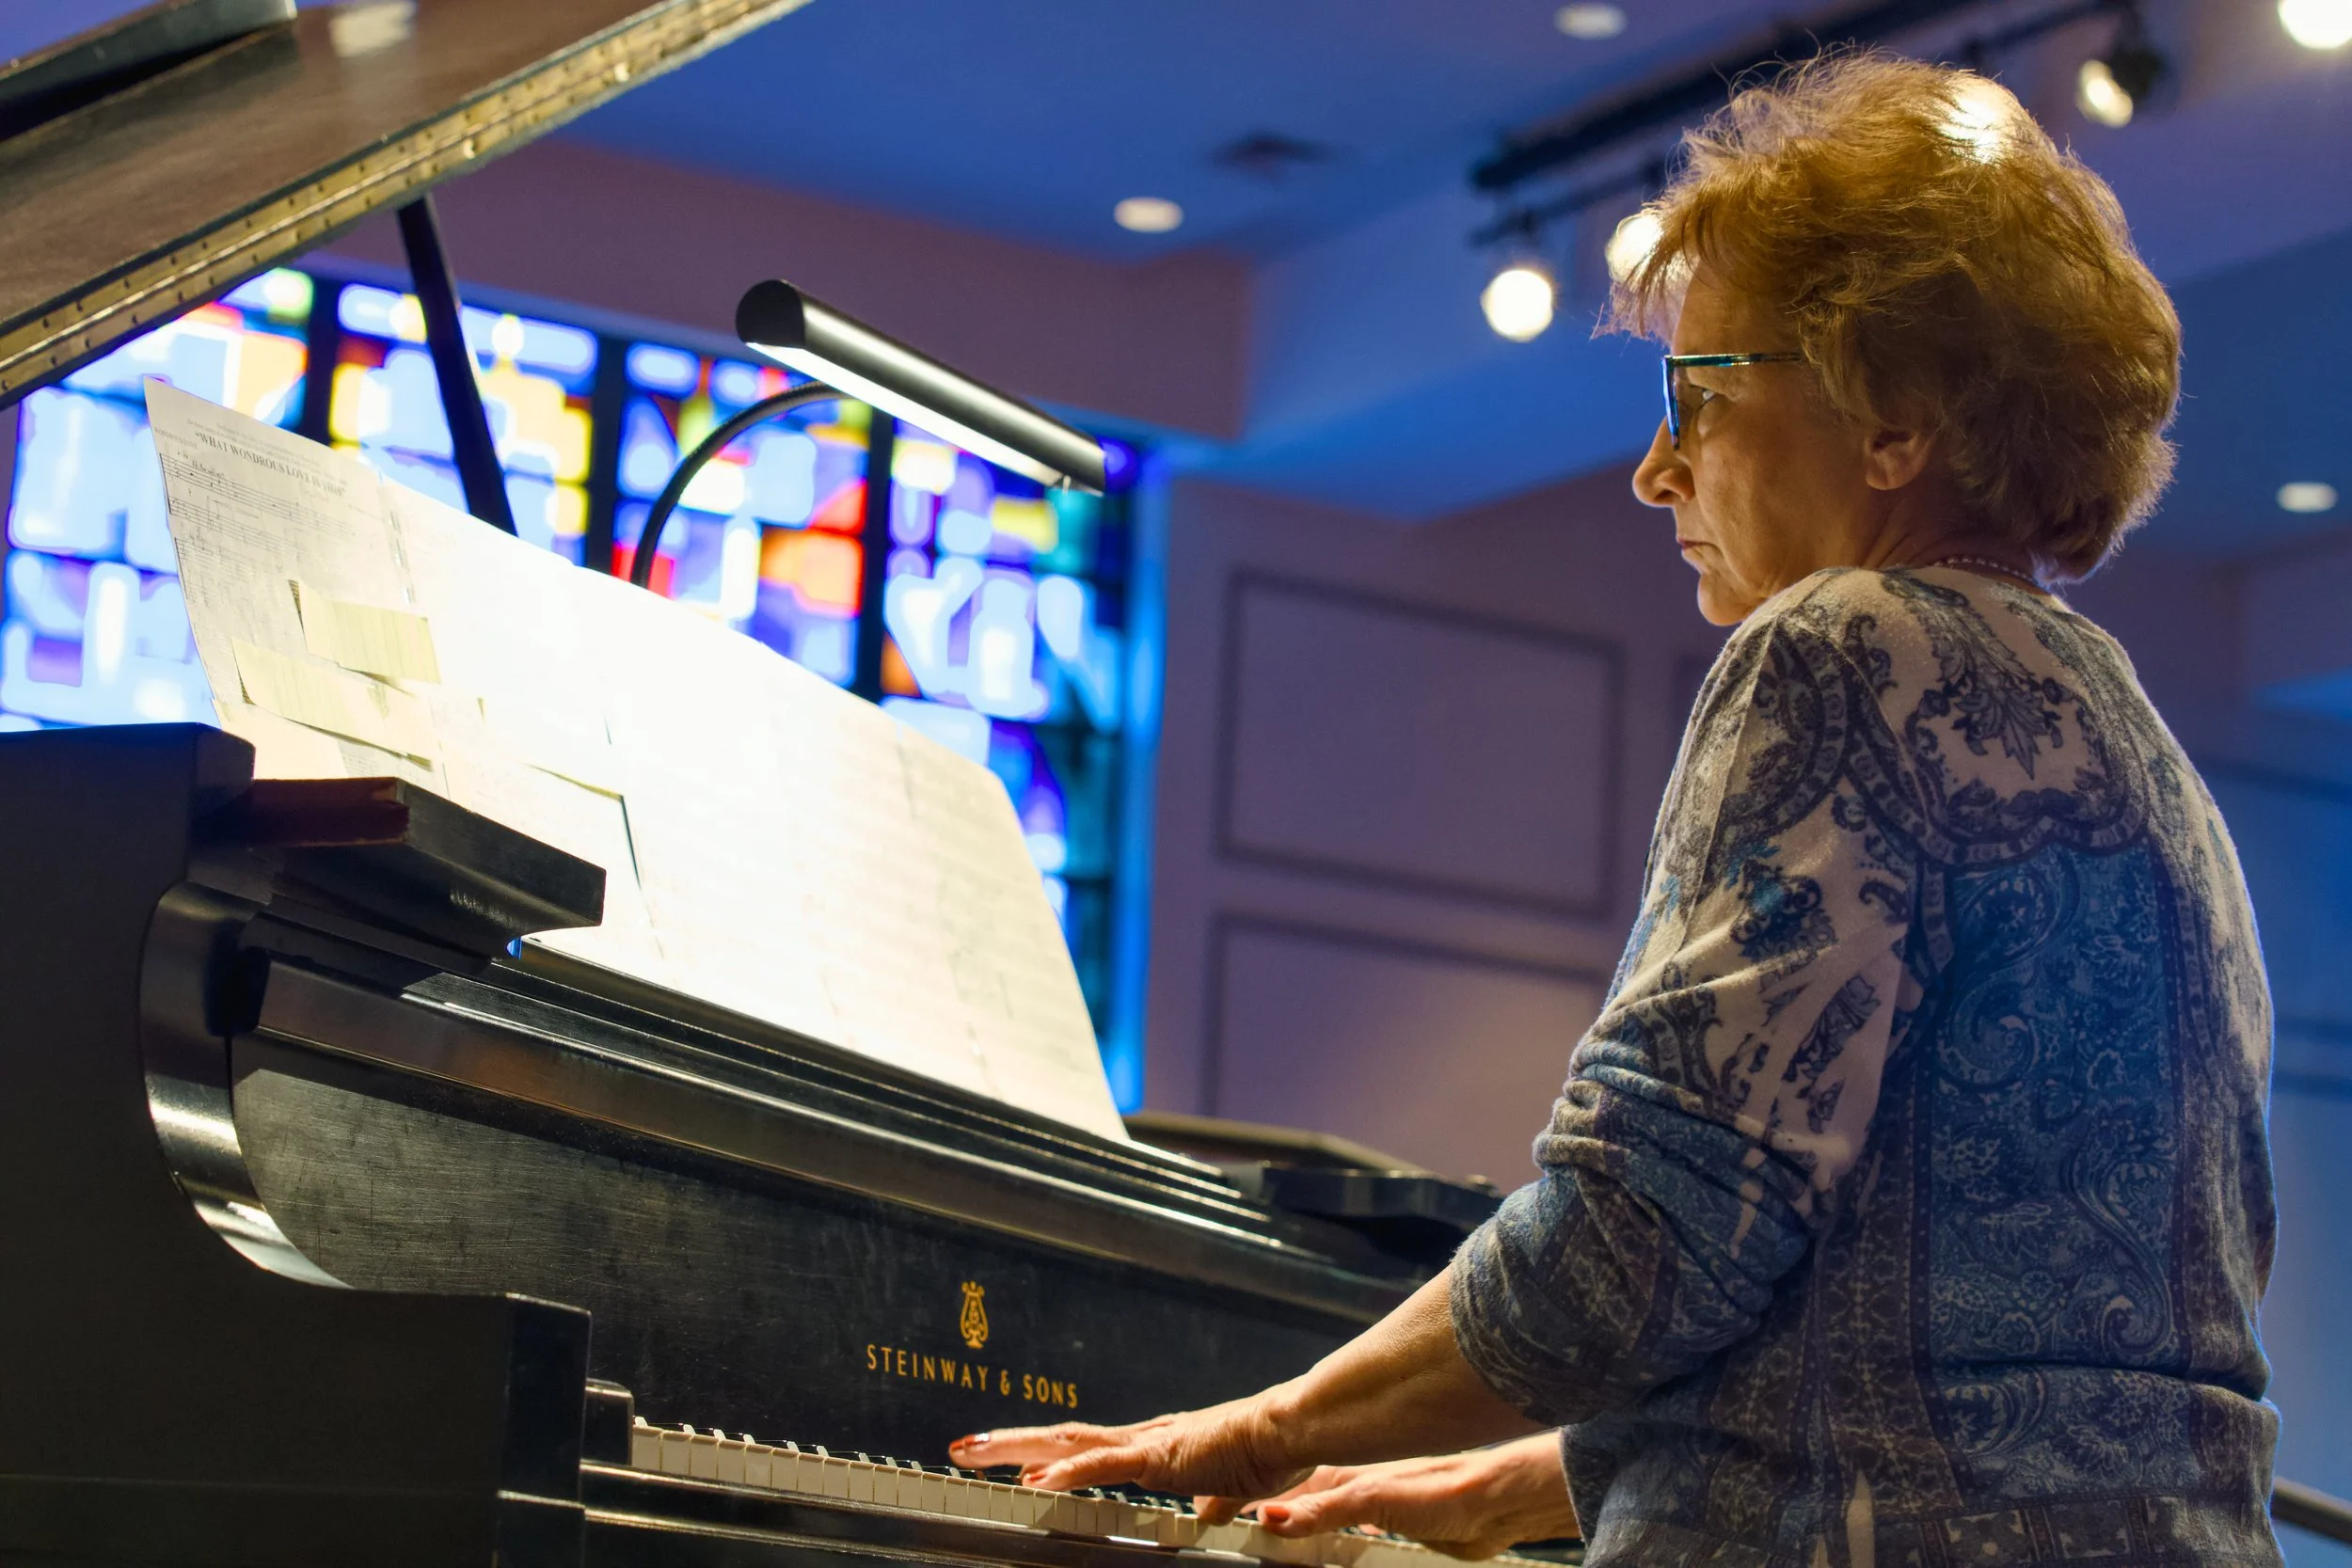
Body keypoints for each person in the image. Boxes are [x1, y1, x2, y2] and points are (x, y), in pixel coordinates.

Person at [954, 50, 2282, 1568]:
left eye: (1697, 393)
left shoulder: (1840, 648)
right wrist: (1504, 1487)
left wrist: (1251, 1430)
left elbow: (1636, 1245)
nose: (1656, 469)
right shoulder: (2132, 736)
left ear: (1895, 420)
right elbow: (1922, 1357)